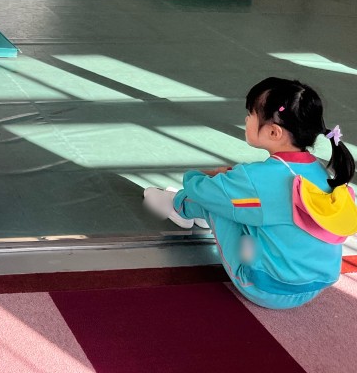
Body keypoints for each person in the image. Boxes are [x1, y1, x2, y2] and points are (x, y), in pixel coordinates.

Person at [143, 77, 357, 309]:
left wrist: (203, 174)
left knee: (216, 197)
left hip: (265, 288)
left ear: (274, 132)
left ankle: (177, 206)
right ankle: (195, 212)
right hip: (312, 288)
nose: (246, 119)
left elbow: (202, 188)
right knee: (240, 198)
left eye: (251, 114)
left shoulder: (255, 178)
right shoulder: (322, 172)